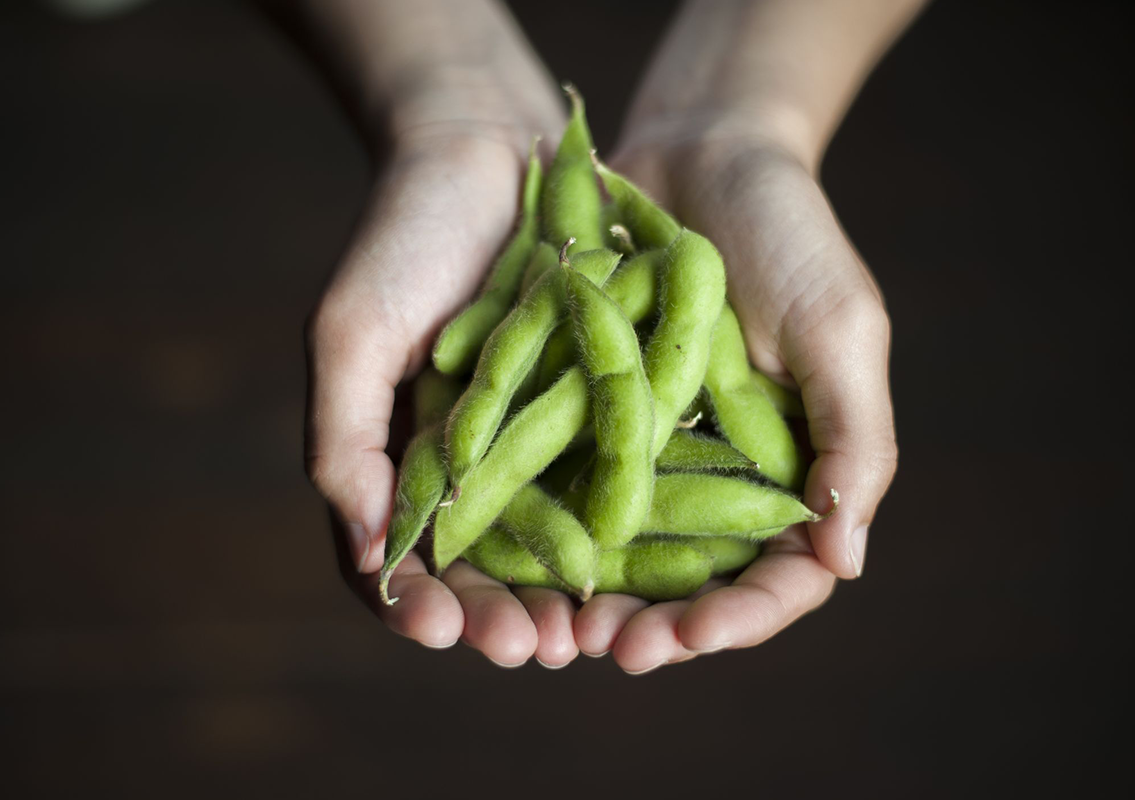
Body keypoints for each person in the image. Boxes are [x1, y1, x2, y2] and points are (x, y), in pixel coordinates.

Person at [298, 0, 917, 673]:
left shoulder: (662, 271)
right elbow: (463, 357)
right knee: (521, 408)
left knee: (603, 403)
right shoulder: (569, 279)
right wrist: (452, 103)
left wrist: (734, 123)